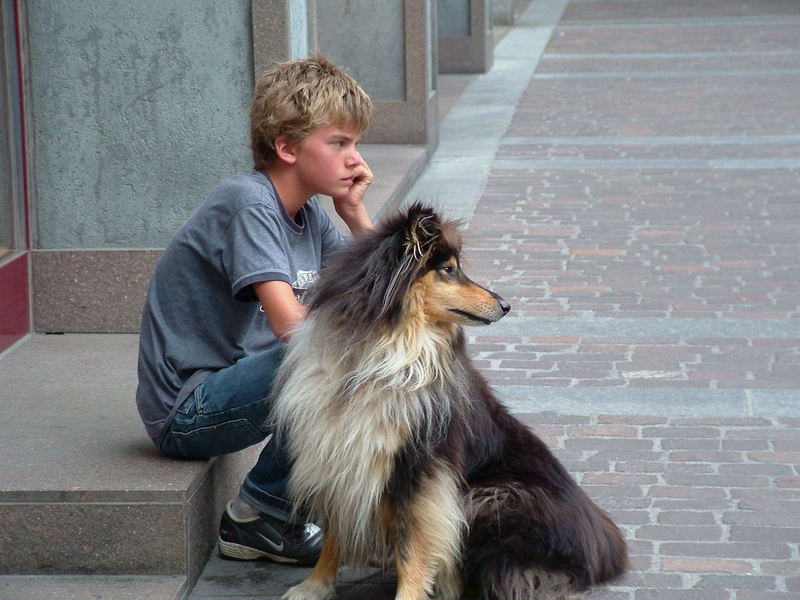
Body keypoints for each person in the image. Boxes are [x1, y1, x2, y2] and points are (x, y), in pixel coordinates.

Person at [135, 55, 373, 565]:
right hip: (188, 410)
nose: (356, 159)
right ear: (286, 148)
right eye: (339, 143)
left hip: (238, 388)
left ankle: (312, 502)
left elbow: (379, 290)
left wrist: (355, 215)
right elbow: (291, 326)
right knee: (335, 358)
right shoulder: (248, 204)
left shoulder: (309, 214)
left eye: (355, 144)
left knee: (369, 350)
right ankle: (257, 515)